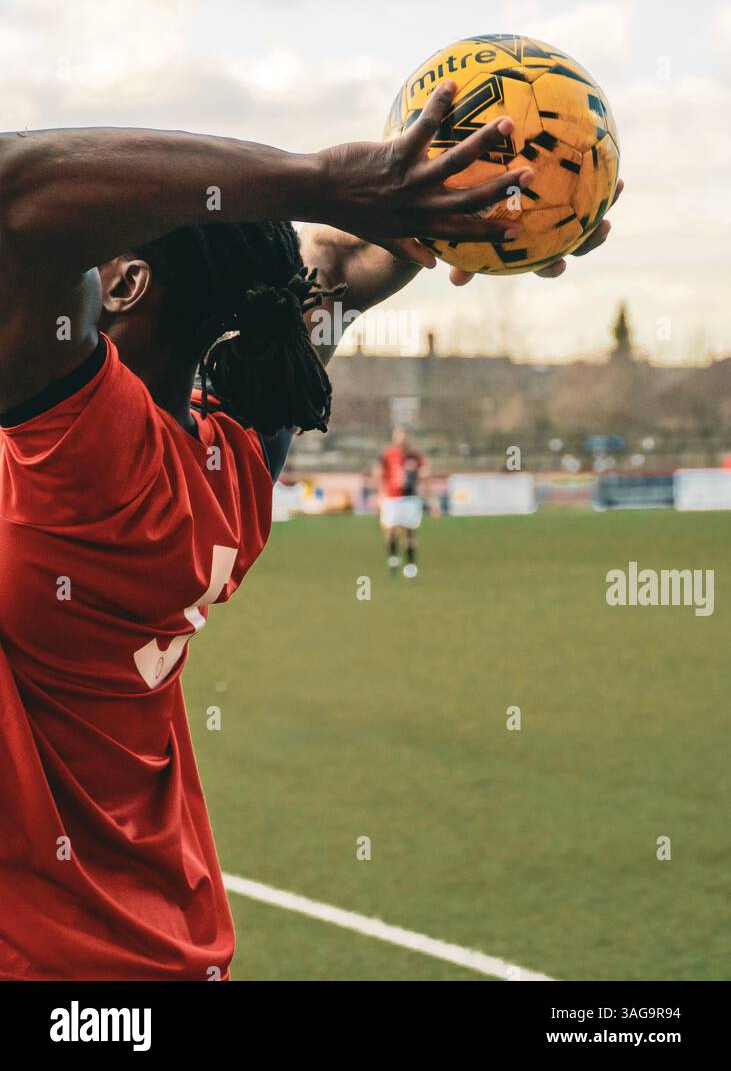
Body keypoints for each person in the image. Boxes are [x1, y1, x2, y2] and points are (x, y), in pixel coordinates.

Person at [0, 87, 620, 978]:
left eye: (100, 265)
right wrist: (485, 214)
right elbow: (338, 266)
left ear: (129, 283)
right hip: (160, 942)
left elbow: (16, 190)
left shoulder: (91, 455)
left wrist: (317, 180)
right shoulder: (235, 458)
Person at [379, 428, 428, 578]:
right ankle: (393, 560)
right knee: (391, 531)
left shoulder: (415, 456)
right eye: (399, 437)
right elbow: (381, 474)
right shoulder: (388, 454)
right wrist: (380, 494)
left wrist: (427, 491)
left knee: (410, 532)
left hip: (410, 498)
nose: (402, 439)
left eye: (404, 437)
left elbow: (424, 473)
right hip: (392, 498)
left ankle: (410, 565)